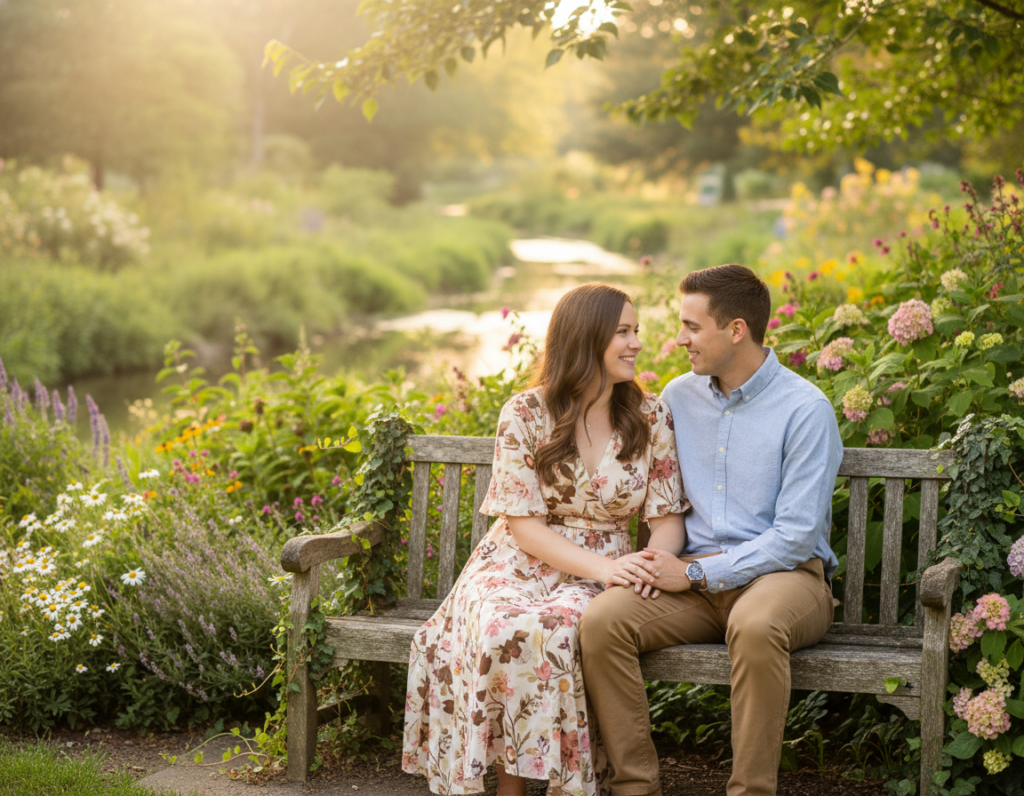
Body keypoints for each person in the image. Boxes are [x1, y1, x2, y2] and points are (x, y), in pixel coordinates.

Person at [402, 283, 689, 796]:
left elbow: (666, 518)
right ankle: (511, 791)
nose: (636, 343)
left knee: (550, 628)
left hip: (608, 560)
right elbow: (524, 525)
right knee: (500, 622)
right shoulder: (525, 412)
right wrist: (604, 572)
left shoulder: (651, 415)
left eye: (636, 331)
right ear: (587, 338)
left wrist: (645, 566)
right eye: (622, 332)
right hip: (517, 556)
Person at [580, 264, 842, 796]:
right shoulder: (679, 397)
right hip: (692, 583)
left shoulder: (806, 410)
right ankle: (634, 787)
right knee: (603, 620)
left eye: (692, 327)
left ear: (736, 330)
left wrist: (696, 573)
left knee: (755, 624)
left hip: (786, 579)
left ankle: (750, 791)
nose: (679, 340)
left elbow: (793, 537)